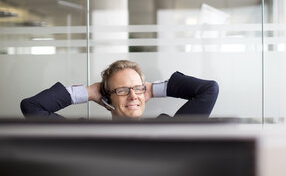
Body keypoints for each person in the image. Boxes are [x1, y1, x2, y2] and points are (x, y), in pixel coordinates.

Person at [20, 60, 219, 119]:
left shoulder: (167, 131)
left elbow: (209, 90)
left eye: (138, 89)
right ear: (107, 100)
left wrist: (151, 89)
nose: (133, 95)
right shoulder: (86, 135)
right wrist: (89, 92)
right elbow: (32, 107)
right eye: (122, 90)